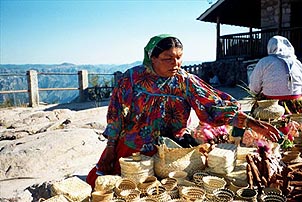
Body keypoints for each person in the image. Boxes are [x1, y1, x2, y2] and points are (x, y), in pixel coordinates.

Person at [86, 34, 281, 188]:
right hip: (134, 146)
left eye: (179, 57)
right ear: (152, 58)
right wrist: (111, 148)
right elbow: (115, 114)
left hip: (172, 149)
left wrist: (251, 122)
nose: (175, 64)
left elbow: (215, 106)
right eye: (167, 58)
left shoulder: (185, 81)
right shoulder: (132, 78)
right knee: (104, 183)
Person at [249, 35, 302, 114]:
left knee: (256, 116)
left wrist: (256, 93)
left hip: (271, 105)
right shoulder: (297, 63)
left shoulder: (264, 62)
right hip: (296, 105)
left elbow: (254, 87)